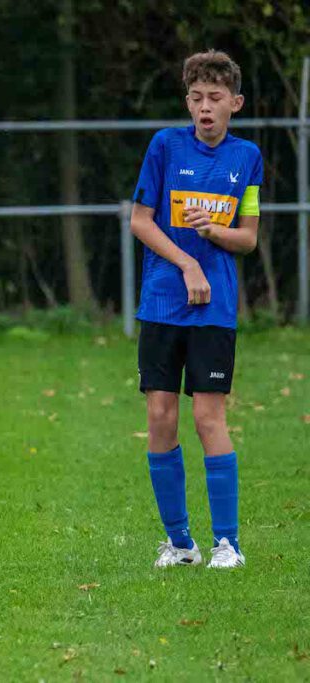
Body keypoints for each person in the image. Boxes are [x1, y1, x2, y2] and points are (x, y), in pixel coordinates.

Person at [130, 50, 262, 569]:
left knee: (209, 418)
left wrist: (216, 233)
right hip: (162, 304)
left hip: (215, 310)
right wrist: (187, 263)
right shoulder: (165, 146)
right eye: (196, 98)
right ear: (187, 102)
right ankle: (180, 544)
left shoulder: (247, 157)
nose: (205, 108)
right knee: (160, 415)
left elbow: (248, 238)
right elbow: (140, 221)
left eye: (215, 98)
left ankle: (227, 544)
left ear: (235, 103)